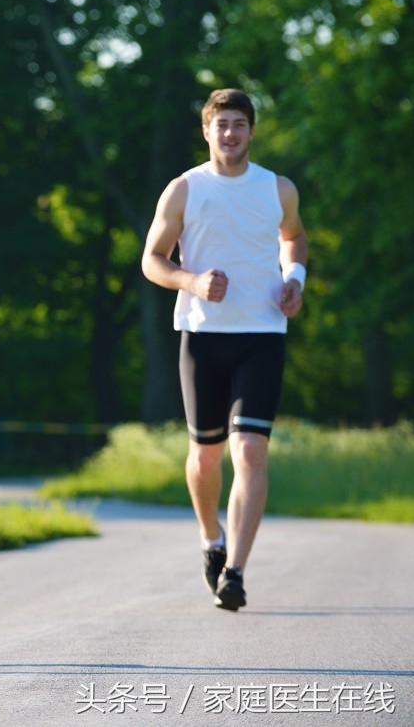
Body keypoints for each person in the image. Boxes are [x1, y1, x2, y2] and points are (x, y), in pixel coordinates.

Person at [141, 88, 308, 611]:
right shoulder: (184, 189)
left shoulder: (277, 188)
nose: (231, 133)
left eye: (239, 123)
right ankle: (210, 538)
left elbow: (294, 237)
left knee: (251, 450)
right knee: (205, 456)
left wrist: (294, 279)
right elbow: (152, 259)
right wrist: (191, 281)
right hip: (202, 336)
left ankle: (234, 570)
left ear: (251, 131)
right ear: (207, 131)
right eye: (222, 124)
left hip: (262, 335)